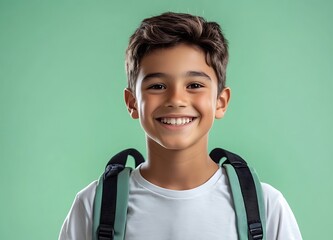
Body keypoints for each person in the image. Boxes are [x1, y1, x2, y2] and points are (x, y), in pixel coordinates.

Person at [59, 12, 302, 240]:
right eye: (157, 86)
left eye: (195, 85)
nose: (176, 99)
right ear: (132, 103)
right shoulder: (93, 206)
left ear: (220, 102)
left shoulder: (267, 207)